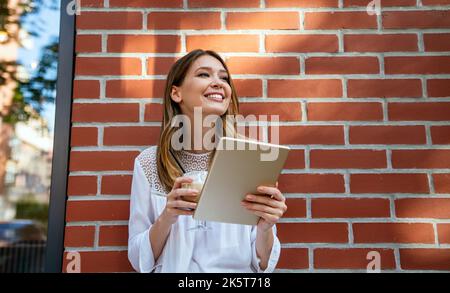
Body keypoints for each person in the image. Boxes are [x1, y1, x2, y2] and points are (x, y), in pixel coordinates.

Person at [127, 49, 288, 273]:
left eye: (223, 78)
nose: (218, 83)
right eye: (204, 74)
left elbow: (262, 264)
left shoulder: (248, 157)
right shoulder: (148, 163)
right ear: (176, 93)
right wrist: (167, 216)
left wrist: (265, 227)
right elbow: (138, 260)